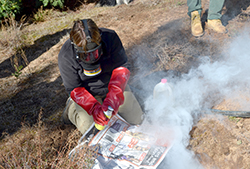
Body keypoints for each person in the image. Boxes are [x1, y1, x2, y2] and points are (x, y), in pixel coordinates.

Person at [58, 18, 144, 134]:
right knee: (89, 128)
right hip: (87, 93)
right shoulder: (66, 55)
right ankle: (71, 109)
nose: (91, 58)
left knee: (136, 119)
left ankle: (115, 100)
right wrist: (93, 108)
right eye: (85, 56)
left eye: (94, 53)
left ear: (100, 41)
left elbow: (122, 67)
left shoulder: (110, 37)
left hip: (112, 86)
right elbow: (74, 88)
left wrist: (114, 95)